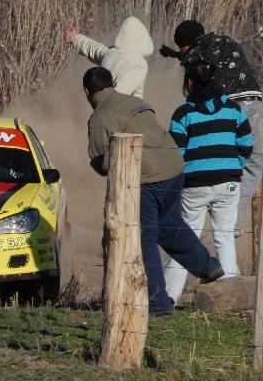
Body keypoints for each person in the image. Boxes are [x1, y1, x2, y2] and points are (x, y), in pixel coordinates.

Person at [83, 66, 223, 315]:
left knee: (144, 238)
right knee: (170, 226)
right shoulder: (134, 101)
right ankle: (208, 266)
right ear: (112, 83)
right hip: (174, 169)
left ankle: (158, 303)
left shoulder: (99, 117)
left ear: (87, 91)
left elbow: (101, 162)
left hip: (146, 180)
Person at [159, 20, 263, 236]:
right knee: (254, 165)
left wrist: (180, 57)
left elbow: (196, 69)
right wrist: (177, 55)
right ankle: (231, 216)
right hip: (253, 104)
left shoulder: (194, 55)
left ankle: (220, 207)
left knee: (209, 161)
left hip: (227, 109)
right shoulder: (224, 41)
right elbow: (210, 59)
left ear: (185, 44)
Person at [163, 62, 253, 303]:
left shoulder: (183, 114)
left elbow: (176, 152)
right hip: (229, 183)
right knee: (224, 237)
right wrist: (232, 167)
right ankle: (229, 299)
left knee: (186, 240)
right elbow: (246, 145)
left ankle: (168, 298)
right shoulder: (234, 109)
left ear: (190, 82)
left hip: (194, 185)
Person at [65, 16, 154, 98]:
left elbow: (92, 48)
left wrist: (75, 38)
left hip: (103, 107)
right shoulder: (139, 65)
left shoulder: (109, 53)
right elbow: (120, 95)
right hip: (123, 113)